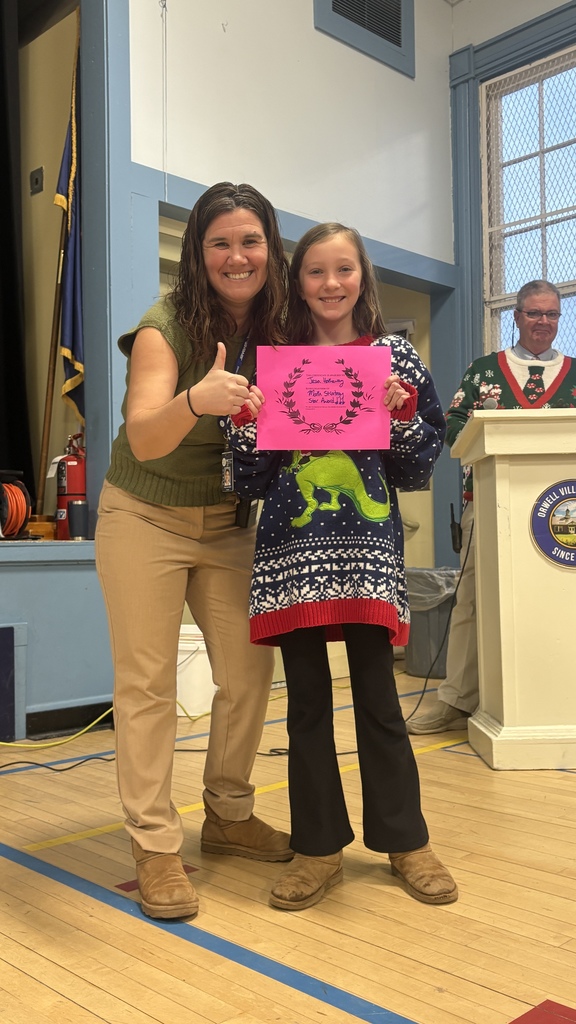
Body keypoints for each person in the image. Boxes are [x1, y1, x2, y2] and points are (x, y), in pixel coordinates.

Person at [227, 222, 458, 910]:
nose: (331, 285)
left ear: (364, 279)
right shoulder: (272, 361)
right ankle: (317, 848)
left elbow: (419, 466)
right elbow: (249, 480)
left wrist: (402, 416)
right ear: (297, 283)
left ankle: (406, 841)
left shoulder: (397, 358)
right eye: (316, 272)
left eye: (344, 271)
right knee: (304, 707)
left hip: (368, 554)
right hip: (292, 556)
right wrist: (244, 424)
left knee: (381, 703)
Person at [95, 182, 294, 921]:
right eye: (220, 243)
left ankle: (229, 813)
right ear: (198, 252)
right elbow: (145, 435)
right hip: (143, 516)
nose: (236, 256)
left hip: (230, 524)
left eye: (250, 241)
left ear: (270, 249)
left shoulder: (282, 326)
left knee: (248, 673)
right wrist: (196, 400)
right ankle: (154, 844)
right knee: (146, 684)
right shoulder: (165, 326)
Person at [407, 279, 576, 735]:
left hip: (561, 513)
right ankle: (458, 700)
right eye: (534, 313)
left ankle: (560, 693)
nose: (543, 323)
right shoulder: (484, 371)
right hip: (488, 502)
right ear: (516, 316)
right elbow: (453, 424)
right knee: (471, 600)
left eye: (552, 315)